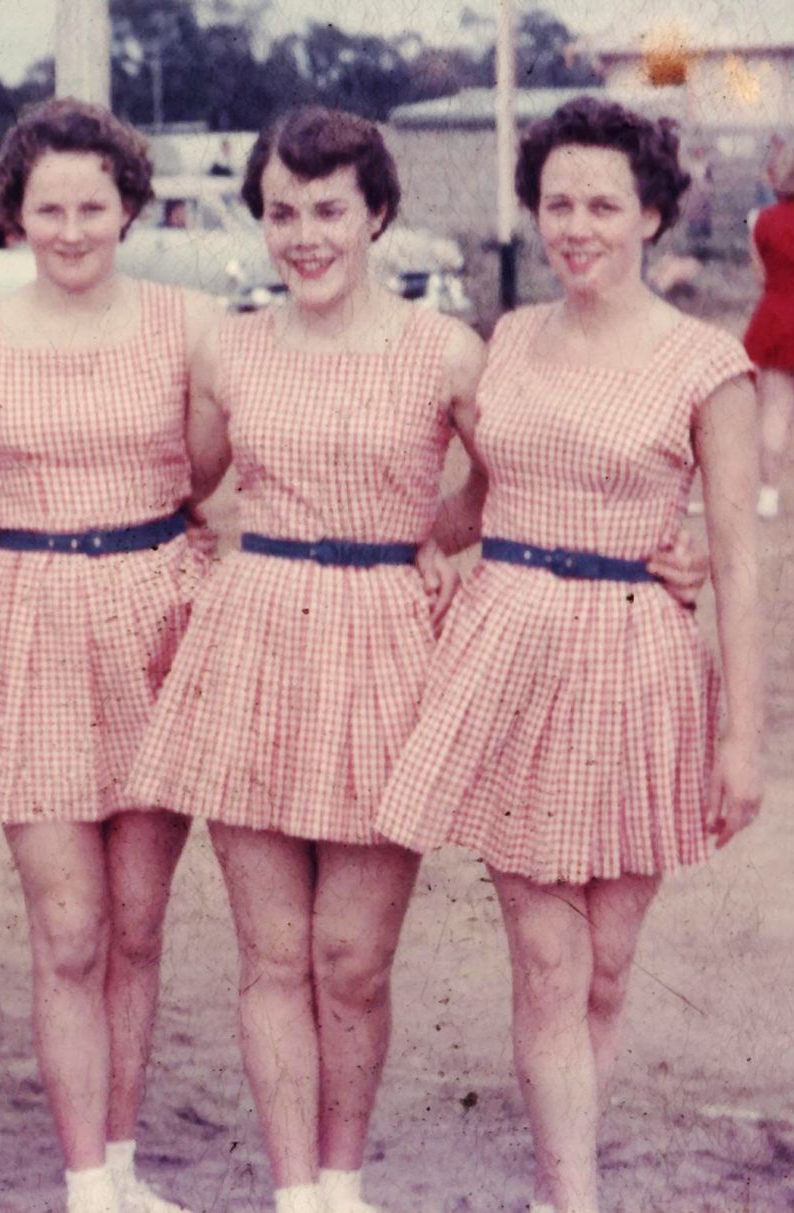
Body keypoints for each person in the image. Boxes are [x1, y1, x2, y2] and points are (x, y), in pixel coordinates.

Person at [375, 96, 763, 1213]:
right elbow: (474, 501)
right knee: (547, 964)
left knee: (604, 967)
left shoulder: (708, 364)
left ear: (650, 214)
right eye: (558, 203)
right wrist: (377, 537)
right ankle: (569, 1196)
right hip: (508, 653)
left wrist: (742, 740)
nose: (577, 225)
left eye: (603, 203)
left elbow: (735, 563)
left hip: (638, 667)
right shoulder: (509, 338)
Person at [123, 107, 479, 1213]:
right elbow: (178, 482)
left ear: (378, 213)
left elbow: (510, 477)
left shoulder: (446, 349)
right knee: (273, 958)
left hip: (385, 644)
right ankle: (295, 1194)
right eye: (284, 212)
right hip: (257, 637)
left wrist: (436, 538)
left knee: (351, 961)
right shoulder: (229, 346)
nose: (307, 234)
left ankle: (343, 1181)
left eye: (330, 209)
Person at [0, 98, 216, 1213]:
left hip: (158, 620)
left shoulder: (188, 325)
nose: (74, 227)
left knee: (138, 925)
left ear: (130, 208)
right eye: (50, 206)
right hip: (30, 625)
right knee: (72, 928)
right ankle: (86, 1182)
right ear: (12, 211)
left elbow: (208, 469)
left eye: (95, 204)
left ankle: (126, 1172)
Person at [743, 143, 794, 519]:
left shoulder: (759, 220)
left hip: (777, 315)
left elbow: (760, 277)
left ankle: (768, 495)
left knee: (775, 411)